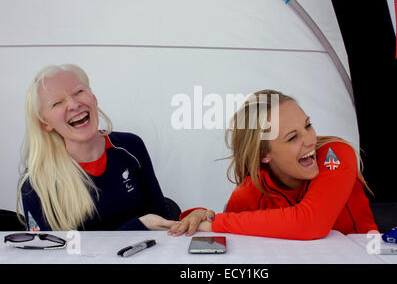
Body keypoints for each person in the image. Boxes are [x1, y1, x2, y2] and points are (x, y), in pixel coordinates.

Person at [169, 90, 378, 240]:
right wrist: (202, 214)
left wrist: (216, 222)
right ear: (264, 155)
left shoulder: (335, 153)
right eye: (292, 137)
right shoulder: (250, 192)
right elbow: (226, 225)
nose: (310, 139)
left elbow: (311, 223)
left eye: (308, 125)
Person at [17, 64, 176, 231]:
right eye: (57, 103)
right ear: (45, 124)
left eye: (78, 92)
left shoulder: (131, 146)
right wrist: (138, 227)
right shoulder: (35, 181)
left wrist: (196, 219)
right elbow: (53, 254)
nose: (73, 104)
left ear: (93, 97)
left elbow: (164, 225)